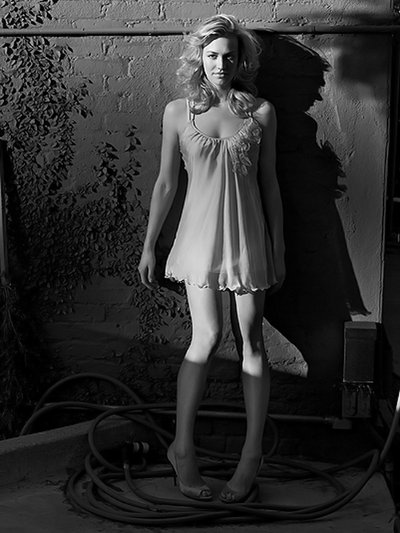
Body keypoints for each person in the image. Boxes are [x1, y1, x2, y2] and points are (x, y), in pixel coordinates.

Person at [138, 14, 285, 504]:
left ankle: (250, 458)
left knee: (252, 341)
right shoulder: (177, 112)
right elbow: (165, 184)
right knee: (207, 336)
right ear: (199, 59)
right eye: (212, 55)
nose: (221, 64)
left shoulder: (261, 113)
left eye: (229, 56)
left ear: (242, 61)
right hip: (198, 240)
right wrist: (149, 244)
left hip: (248, 240)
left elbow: (270, 185)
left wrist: (278, 247)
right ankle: (182, 449)